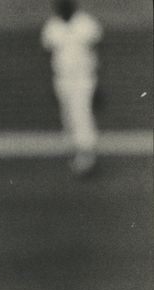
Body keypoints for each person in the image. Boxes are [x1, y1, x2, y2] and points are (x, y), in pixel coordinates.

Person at [40, 0, 103, 175]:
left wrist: (99, 82)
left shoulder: (86, 23)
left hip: (84, 78)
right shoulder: (52, 27)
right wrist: (51, 82)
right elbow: (48, 54)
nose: (63, 8)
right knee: (67, 115)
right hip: (62, 78)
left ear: (73, 6)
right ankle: (76, 152)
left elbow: (97, 50)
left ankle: (87, 156)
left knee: (81, 113)